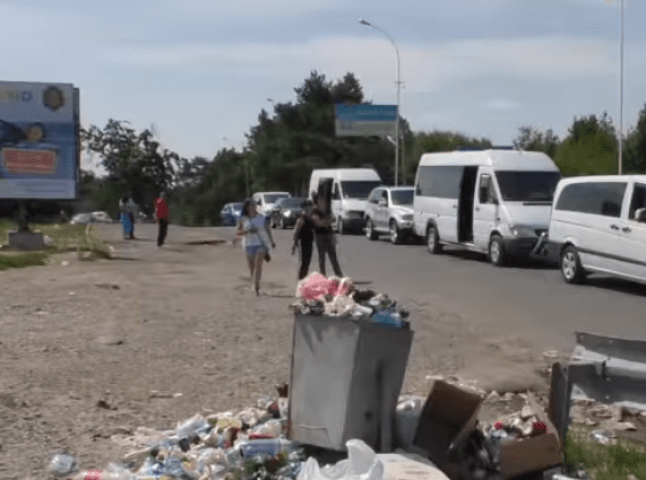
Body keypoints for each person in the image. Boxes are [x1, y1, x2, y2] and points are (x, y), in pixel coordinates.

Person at [235, 198, 276, 296]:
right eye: (252, 205)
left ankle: (256, 286)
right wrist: (247, 231)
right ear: (247, 207)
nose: (254, 207)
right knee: (252, 268)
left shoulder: (260, 217)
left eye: (255, 205)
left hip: (260, 244)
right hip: (248, 245)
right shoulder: (243, 219)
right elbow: (238, 233)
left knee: (258, 266)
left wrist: (271, 241)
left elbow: (267, 229)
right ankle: (254, 283)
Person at [310, 189, 343, 278]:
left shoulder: (326, 208)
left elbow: (333, 218)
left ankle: (338, 274)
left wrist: (325, 221)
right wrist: (326, 221)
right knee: (322, 256)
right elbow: (317, 222)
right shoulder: (313, 210)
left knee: (333, 255)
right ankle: (323, 275)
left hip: (328, 233)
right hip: (319, 234)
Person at [291, 199, 315, 280]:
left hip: (309, 242)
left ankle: (304, 278)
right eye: (309, 206)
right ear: (305, 207)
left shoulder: (310, 217)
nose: (311, 207)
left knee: (307, 261)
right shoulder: (302, 218)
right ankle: (300, 279)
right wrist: (293, 244)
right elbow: (296, 231)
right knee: (302, 262)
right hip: (302, 242)